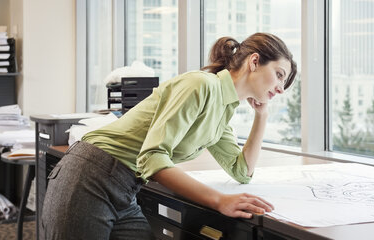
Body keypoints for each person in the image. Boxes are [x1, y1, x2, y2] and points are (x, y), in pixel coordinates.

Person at [42, 32, 297, 240]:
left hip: (126, 187)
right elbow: (152, 157)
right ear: (254, 62)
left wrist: (261, 116)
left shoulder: (223, 112)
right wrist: (219, 200)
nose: (280, 88)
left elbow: (242, 171)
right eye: (279, 75)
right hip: (91, 176)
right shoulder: (201, 85)